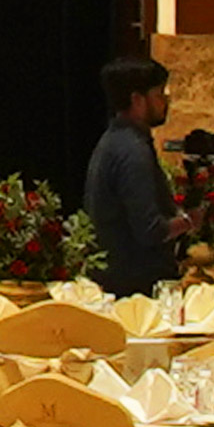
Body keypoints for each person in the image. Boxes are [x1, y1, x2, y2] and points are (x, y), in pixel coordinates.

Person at [80, 53, 176, 293]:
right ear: (137, 100)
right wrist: (191, 221)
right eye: (159, 94)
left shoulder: (114, 141)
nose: (166, 101)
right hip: (133, 289)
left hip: (117, 280)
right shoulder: (132, 151)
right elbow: (150, 230)